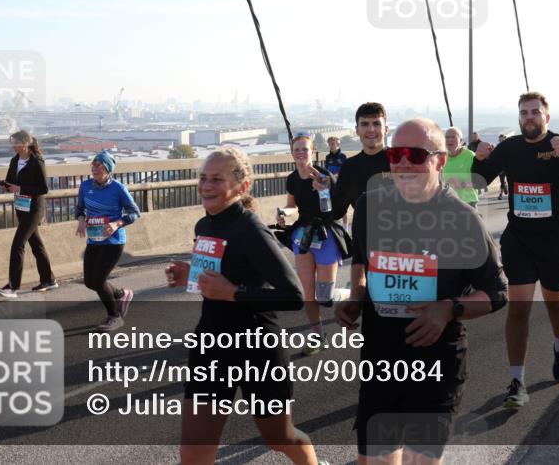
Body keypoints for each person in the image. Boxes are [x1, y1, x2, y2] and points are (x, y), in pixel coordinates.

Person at [335, 119, 508, 463]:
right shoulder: (370, 205)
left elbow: (497, 291)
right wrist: (356, 296)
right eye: (395, 153)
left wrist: (448, 309)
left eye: (414, 155)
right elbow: (361, 258)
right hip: (381, 359)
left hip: (436, 366)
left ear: (440, 161)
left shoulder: (462, 219)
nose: (401, 163)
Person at [165, 149, 326, 465]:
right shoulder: (204, 225)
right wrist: (191, 275)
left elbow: (293, 295)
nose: (207, 186)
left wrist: (233, 293)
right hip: (211, 344)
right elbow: (218, 280)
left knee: (280, 438)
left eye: (217, 179)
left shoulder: (250, 228)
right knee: (193, 453)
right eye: (203, 178)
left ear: (243, 186)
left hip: (257, 347)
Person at [471, 92, 559, 408]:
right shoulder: (509, 147)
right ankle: (517, 382)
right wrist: (479, 158)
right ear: (519, 117)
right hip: (519, 240)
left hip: (554, 241)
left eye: (535, 112)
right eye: (524, 112)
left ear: (546, 117)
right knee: (519, 309)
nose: (529, 117)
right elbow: (478, 181)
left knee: (554, 301)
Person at [277, 133, 349, 356]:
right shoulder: (291, 179)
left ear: (313, 152)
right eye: (297, 149)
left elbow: (334, 210)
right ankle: (318, 335)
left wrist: (323, 191)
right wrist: (283, 213)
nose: (301, 153)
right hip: (304, 235)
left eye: (305, 149)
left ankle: (347, 293)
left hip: (326, 233)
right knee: (307, 291)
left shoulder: (323, 174)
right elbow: (292, 206)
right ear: (292, 153)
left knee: (324, 296)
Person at [75, 151, 141, 332]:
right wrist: (81, 220)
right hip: (94, 240)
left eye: (100, 166)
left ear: (108, 169)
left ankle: (115, 316)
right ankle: (120, 294)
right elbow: (80, 208)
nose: (95, 168)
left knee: (98, 280)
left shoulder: (118, 189)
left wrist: (116, 223)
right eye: (93, 165)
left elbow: (135, 213)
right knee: (89, 282)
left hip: (113, 241)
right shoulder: (85, 186)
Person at [0, 130, 57, 298]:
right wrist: (7, 185)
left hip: (34, 209)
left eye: (15, 143)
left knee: (18, 245)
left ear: (25, 143)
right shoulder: (14, 160)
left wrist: (21, 189)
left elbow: (43, 188)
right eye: (12, 143)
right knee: (36, 245)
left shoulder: (37, 161)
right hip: (21, 207)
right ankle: (49, 280)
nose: (13, 146)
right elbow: (11, 180)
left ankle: (12, 287)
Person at [331, 102, 393, 222]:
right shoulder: (350, 167)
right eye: (364, 124)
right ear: (357, 130)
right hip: (363, 238)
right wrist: (324, 191)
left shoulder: (400, 161)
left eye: (376, 123)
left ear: (386, 129)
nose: (371, 129)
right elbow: (336, 212)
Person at [443, 127, 479, 208]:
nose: (450, 140)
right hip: (448, 203)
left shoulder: (470, 156)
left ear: (461, 140)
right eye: (447, 137)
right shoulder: (442, 157)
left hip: (468, 203)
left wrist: (461, 184)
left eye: (453, 137)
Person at [497, 133, 509, 200]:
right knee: (502, 181)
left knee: (510, 180)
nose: (501, 141)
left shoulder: (509, 146)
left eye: (502, 139)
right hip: (501, 167)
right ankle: (501, 194)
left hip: (508, 167)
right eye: (500, 140)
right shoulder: (498, 146)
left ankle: (506, 188)